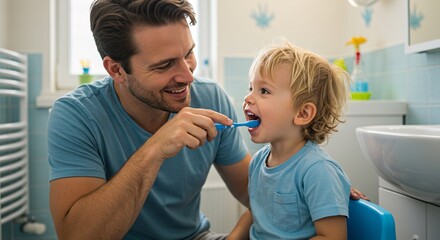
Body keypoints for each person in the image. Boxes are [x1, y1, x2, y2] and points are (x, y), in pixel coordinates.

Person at [47, 1, 366, 239]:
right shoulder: (76, 116)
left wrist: (313, 183)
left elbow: (254, 194)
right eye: (165, 65)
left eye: (188, 53)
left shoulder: (210, 99)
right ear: (116, 70)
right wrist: (155, 149)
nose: (188, 76)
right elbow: (77, 236)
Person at [228, 41, 353, 239]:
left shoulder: (318, 170)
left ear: (303, 113)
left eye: (264, 91)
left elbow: (333, 237)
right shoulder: (258, 162)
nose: (248, 98)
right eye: (251, 88)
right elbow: (254, 214)